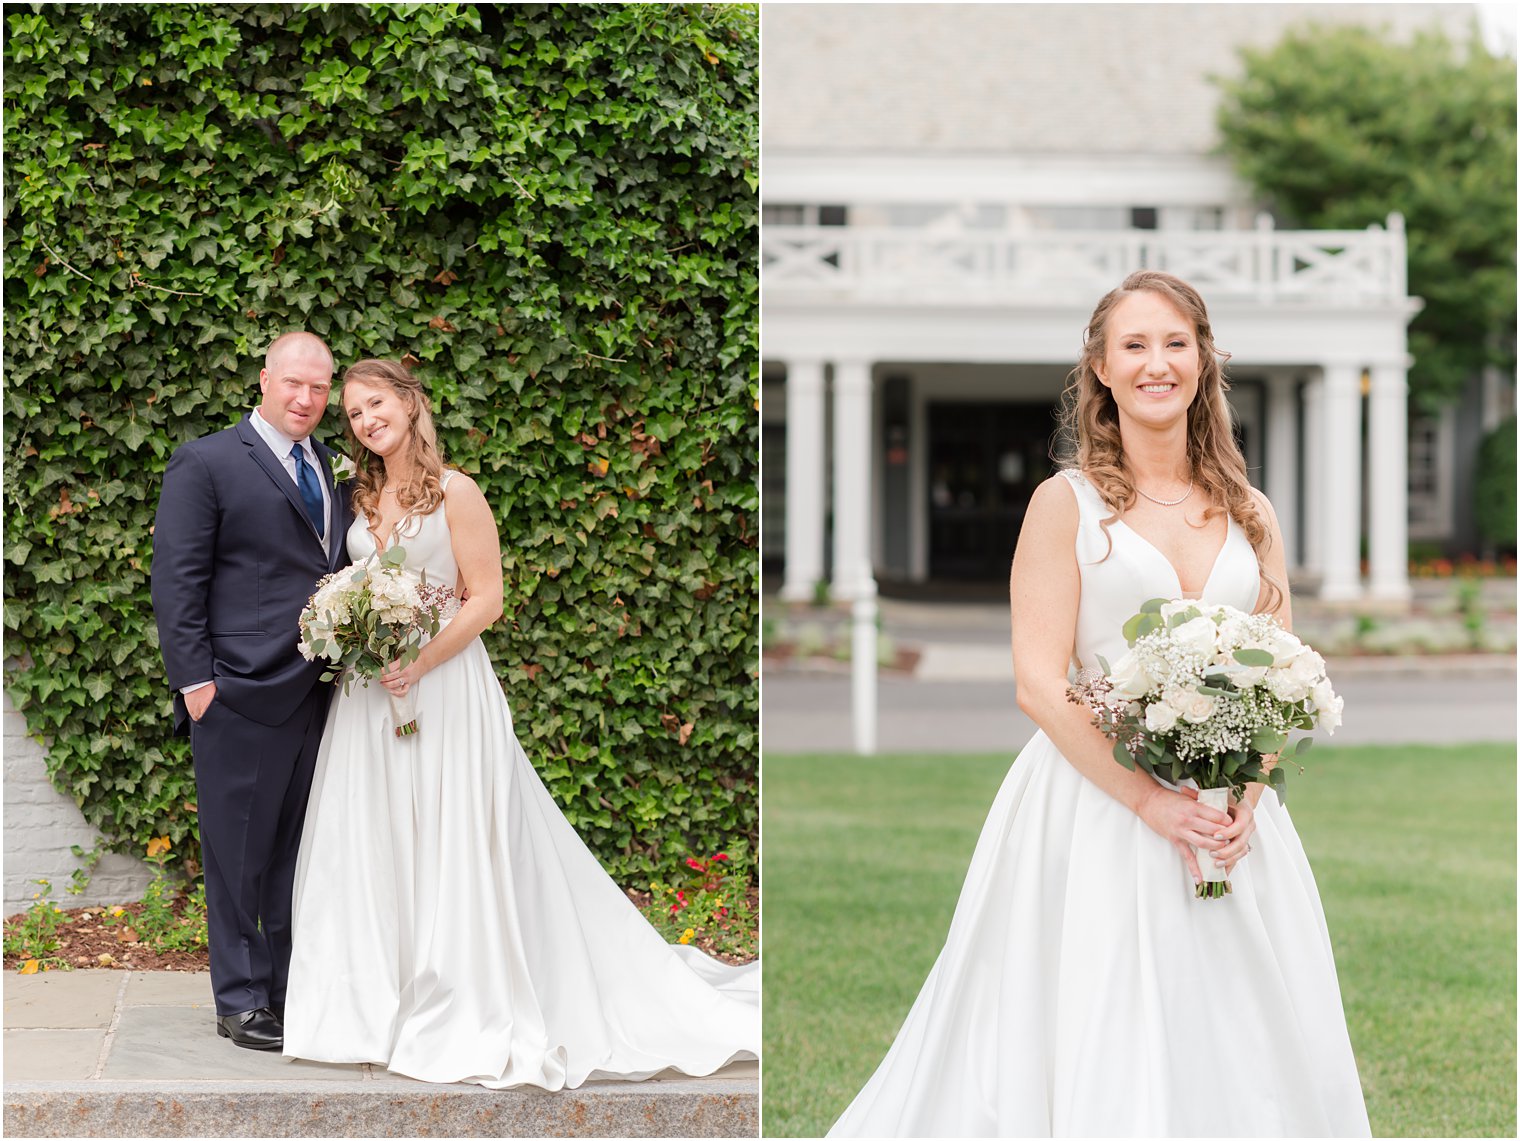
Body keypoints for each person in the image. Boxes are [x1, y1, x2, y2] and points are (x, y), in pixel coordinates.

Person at [827, 271, 1370, 1136]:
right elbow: (1037, 681)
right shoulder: (1065, 505)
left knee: (1240, 1024)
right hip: (1097, 811)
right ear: (1103, 370)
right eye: (1135, 345)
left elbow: (1282, 672)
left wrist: (1246, 798)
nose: (1158, 363)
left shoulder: (1251, 512)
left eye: (1176, 343)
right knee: (1100, 1012)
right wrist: (1152, 800)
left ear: (1204, 363)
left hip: (1230, 823)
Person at [281, 358, 758, 1089]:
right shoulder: (360, 495)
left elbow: (486, 596)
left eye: (374, 403)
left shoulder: (456, 491)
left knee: (452, 836)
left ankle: (459, 999)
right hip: (370, 696)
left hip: (444, 690)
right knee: (374, 837)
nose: (364, 419)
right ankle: (371, 1005)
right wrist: (353, 631)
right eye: (352, 413)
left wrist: (423, 659)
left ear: (409, 403)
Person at [151, 331, 353, 1050]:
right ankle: (238, 1001)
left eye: (320, 388)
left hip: (317, 692)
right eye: (294, 383)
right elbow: (177, 579)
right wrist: (197, 683)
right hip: (235, 693)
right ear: (264, 379)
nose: (306, 399)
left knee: (296, 852)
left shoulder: (333, 465)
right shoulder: (206, 461)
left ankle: (283, 992)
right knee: (237, 854)